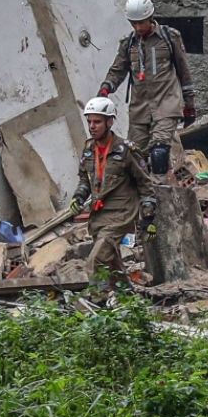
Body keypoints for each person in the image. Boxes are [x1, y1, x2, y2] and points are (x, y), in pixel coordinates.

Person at [98, 0, 195, 180]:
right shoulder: (128, 44)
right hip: (140, 108)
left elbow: (184, 71)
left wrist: (189, 104)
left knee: (159, 151)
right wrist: (105, 90)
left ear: (150, 18)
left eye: (141, 22)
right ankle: (140, 200)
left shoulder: (169, 37)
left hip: (166, 103)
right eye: (133, 23)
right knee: (133, 156)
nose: (138, 27)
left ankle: (159, 197)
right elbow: (118, 70)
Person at [69, 96, 157, 285]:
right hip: (98, 215)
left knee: (96, 261)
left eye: (97, 122)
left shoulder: (126, 150)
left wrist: (148, 218)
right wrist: (78, 197)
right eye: (90, 121)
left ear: (110, 122)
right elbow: (85, 179)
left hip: (121, 215)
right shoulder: (88, 149)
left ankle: (98, 303)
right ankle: (126, 298)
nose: (92, 126)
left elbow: (144, 183)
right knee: (111, 263)